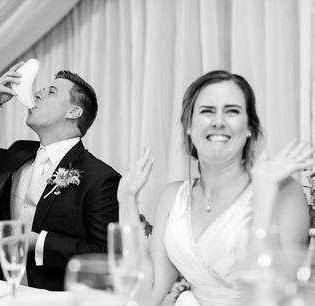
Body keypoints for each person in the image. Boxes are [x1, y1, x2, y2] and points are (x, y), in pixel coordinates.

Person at [118, 70, 314, 305]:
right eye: (207, 111)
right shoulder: (173, 197)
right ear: (188, 126)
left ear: (250, 127)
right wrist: (127, 200)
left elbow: (275, 297)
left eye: (232, 111)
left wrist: (263, 194)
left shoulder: (283, 191)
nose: (219, 121)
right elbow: (148, 293)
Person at [0, 62, 120, 290]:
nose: (37, 93)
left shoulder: (100, 177)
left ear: (74, 112)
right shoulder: (17, 154)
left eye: (50, 92)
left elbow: (106, 254)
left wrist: (39, 242)